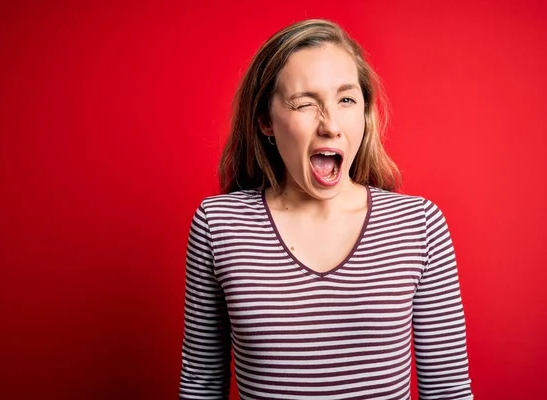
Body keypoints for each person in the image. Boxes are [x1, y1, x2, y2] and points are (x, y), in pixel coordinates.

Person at [179, 18, 473, 400]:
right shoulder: (218, 225)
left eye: (346, 100)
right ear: (266, 120)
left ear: (364, 113)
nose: (331, 125)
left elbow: (448, 389)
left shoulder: (419, 225)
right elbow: (201, 385)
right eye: (304, 103)